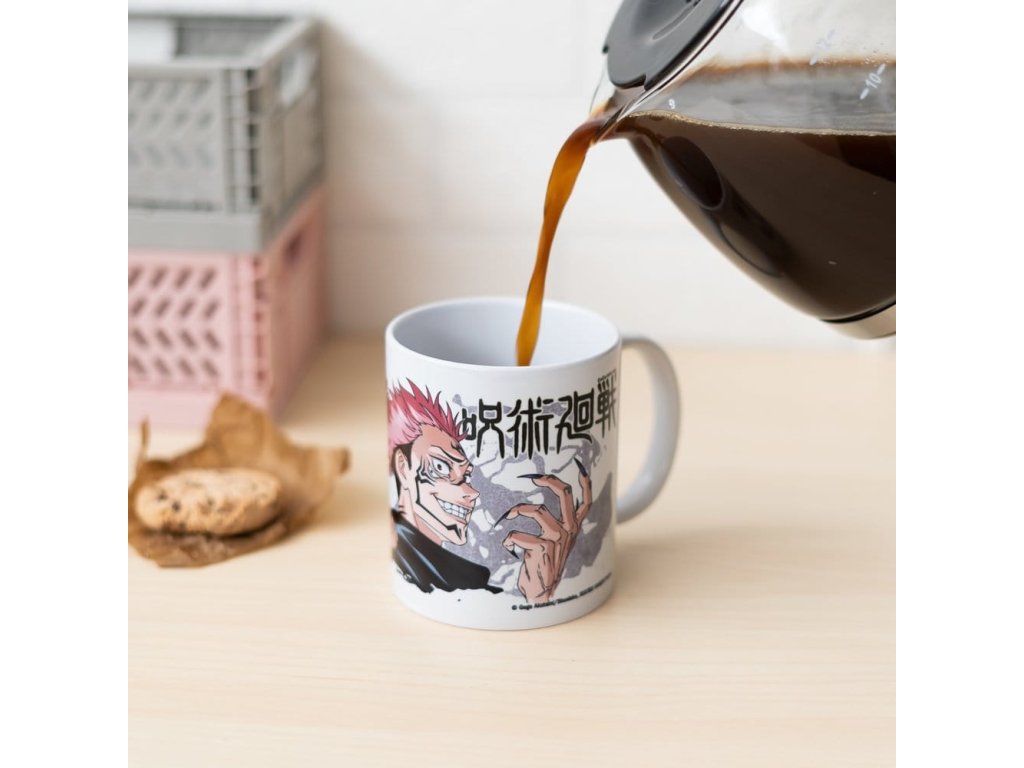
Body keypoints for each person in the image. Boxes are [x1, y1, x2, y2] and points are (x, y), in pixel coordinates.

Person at [388, 381, 591, 602]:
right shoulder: (453, 581)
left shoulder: (459, 575)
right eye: (441, 466)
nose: (471, 493)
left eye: (466, 476)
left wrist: (539, 592)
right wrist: (540, 598)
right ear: (403, 466)